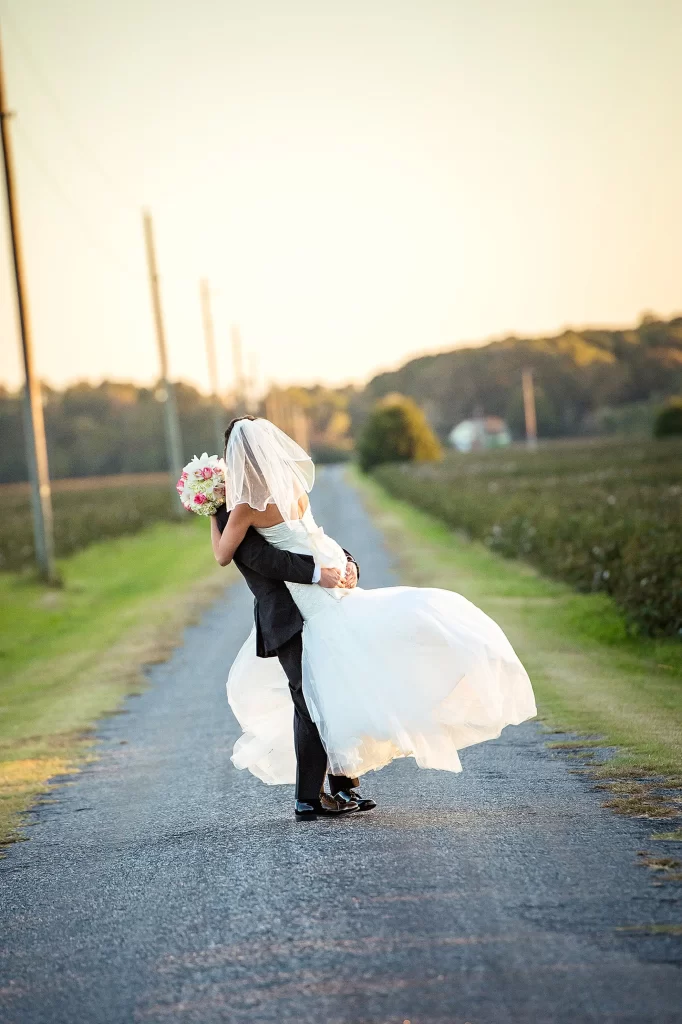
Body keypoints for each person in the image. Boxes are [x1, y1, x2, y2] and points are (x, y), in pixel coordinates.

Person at [213, 416, 537, 821]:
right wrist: (344, 565)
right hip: (328, 585)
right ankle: (334, 789)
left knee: (316, 697)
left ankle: (314, 797)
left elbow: (226, 554)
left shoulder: (243, 507)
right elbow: (311, 539)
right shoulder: (293, 487)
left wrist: (212, 509)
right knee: (333, 687)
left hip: (312, 599)